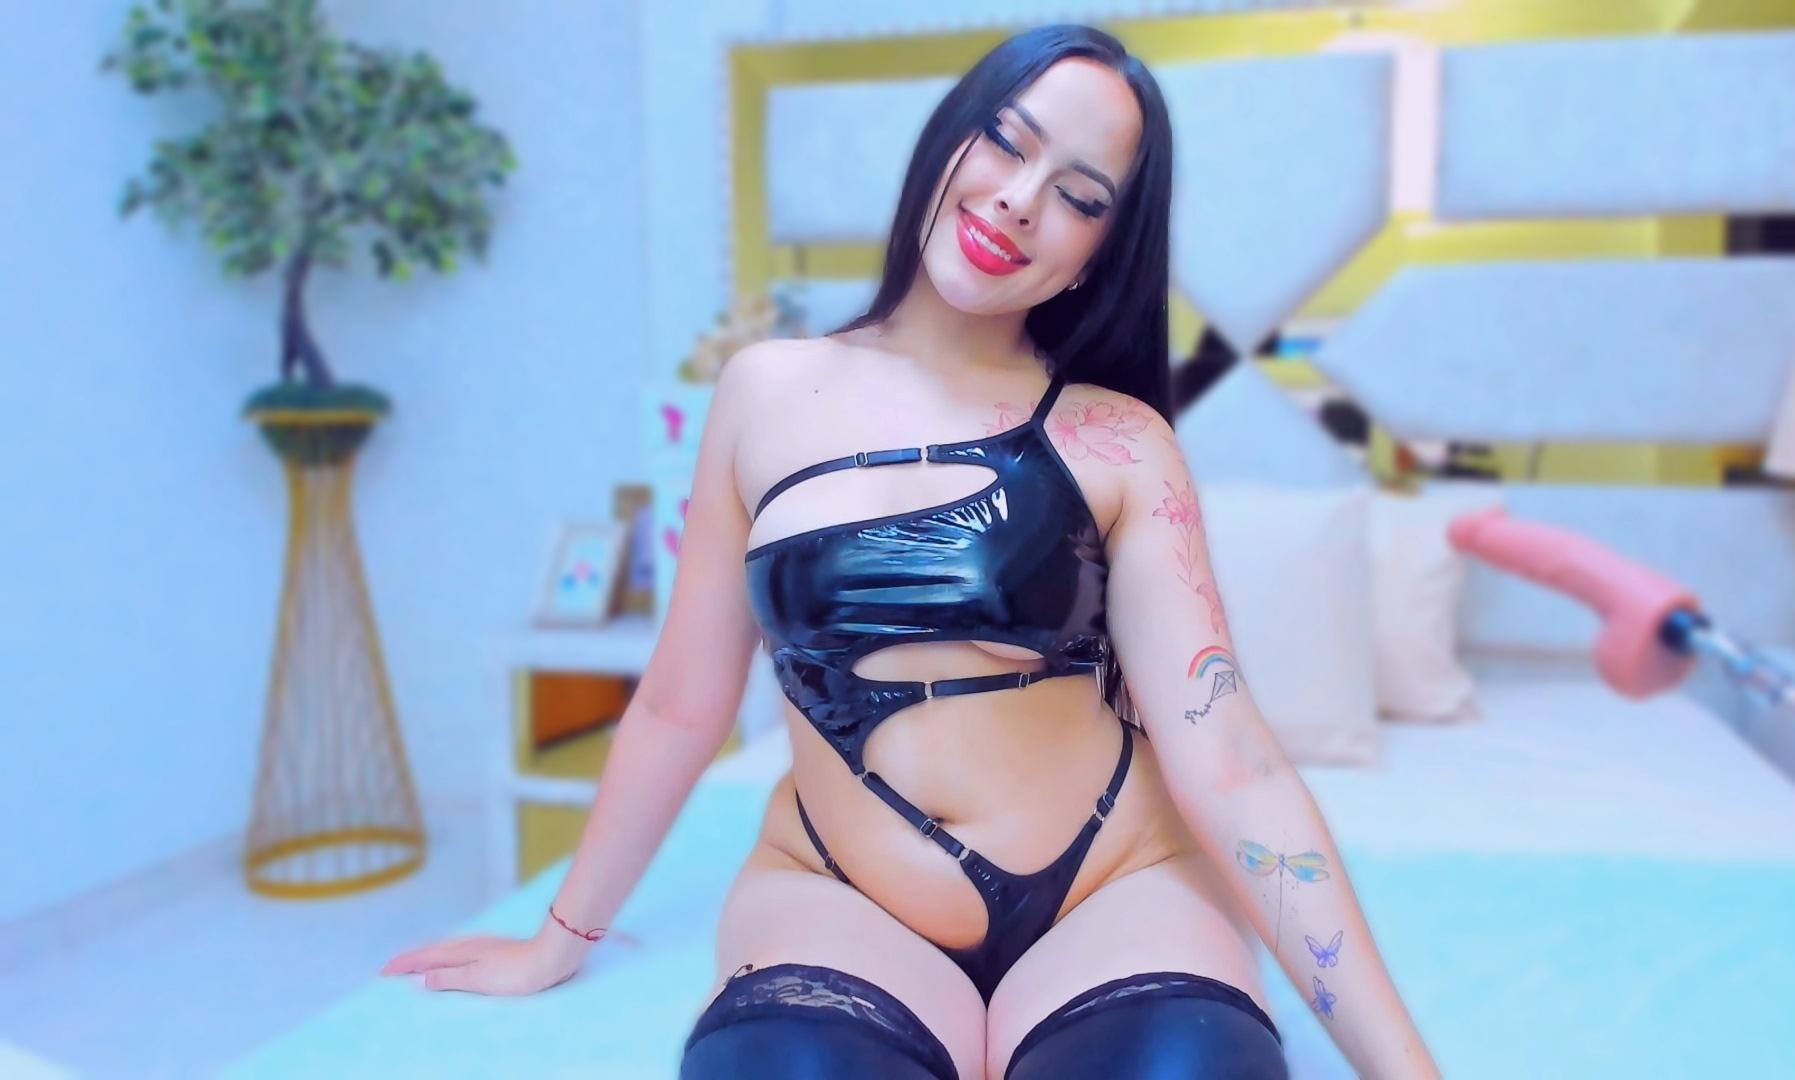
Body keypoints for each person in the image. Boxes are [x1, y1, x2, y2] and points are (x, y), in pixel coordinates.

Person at [381, 23, 1439, 1080]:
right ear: (947, 139)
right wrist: (557, 940)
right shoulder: (765, 391)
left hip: (1113, 887)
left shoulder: (1119, 439)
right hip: (838, 897)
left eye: (1078, 197)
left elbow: (1235, 763)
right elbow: (677, 703)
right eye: (1006, 142)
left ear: (1100, 252)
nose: (1019, 200)